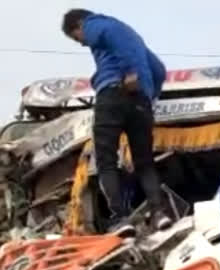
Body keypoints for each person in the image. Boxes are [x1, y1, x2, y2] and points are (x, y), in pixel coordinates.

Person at [61, 9, 172, 238]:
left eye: (76, 37)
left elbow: (112, 35)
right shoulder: (136, 39)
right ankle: (159, 212)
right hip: (141, 102)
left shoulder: (97, 24)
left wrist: (129, 73)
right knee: (144, 162)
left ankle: (120, 218)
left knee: (106, 161)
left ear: (79, 24)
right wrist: (149, 93)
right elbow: (159, 71)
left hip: (113, 94)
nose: (81, 43)